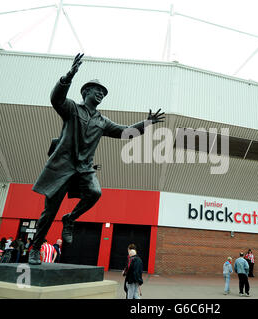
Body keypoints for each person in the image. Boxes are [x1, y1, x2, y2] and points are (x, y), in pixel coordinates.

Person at [28, 53, 165, 265]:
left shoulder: (102, 121)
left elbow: (124, 132)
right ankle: (35, 248)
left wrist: (146, 123)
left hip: (83, 169)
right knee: (49, 212)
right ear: (86, 92)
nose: (101, 94)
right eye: (97, 90)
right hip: (61, 168)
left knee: (95, 192)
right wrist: (68, 76)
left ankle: (70, 218)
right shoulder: (72, 109)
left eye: (103, 92)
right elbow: (56, 99)